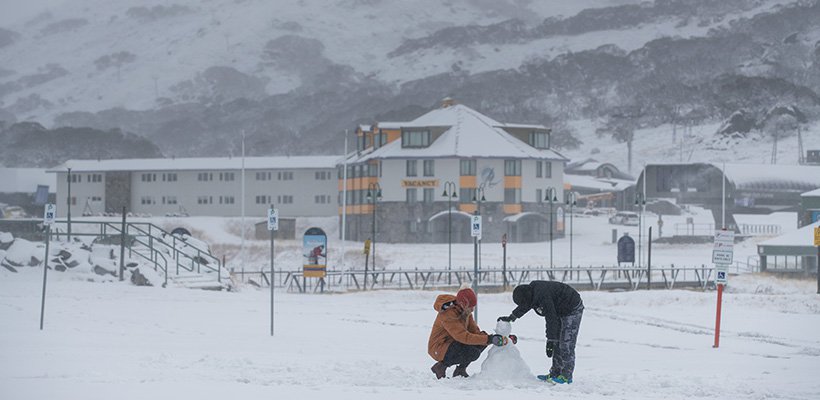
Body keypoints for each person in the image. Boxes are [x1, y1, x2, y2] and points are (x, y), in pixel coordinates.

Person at [498, 281, 584, 384]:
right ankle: (555, 373)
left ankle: (566, 376)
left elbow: (551, 318)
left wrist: (550, 340)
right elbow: (526, 305)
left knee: (566, 343)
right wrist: (512, 317)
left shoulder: (543, 295)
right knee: (557, 342)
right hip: (559, 309)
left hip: (572, 308)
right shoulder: (531, 293)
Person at [428, 285, 505, 379]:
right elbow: (462, 336)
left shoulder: (465, 311)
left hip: (452, 343)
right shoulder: (448, 314)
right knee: (473, 352)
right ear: (463, 304)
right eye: (471, 307)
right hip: (439, 347)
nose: (472, 310)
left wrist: (491, 338)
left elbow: (475, 332)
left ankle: (460, 370)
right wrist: (488, 339)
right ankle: (440, 367)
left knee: (481, 340)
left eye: (473, 307)